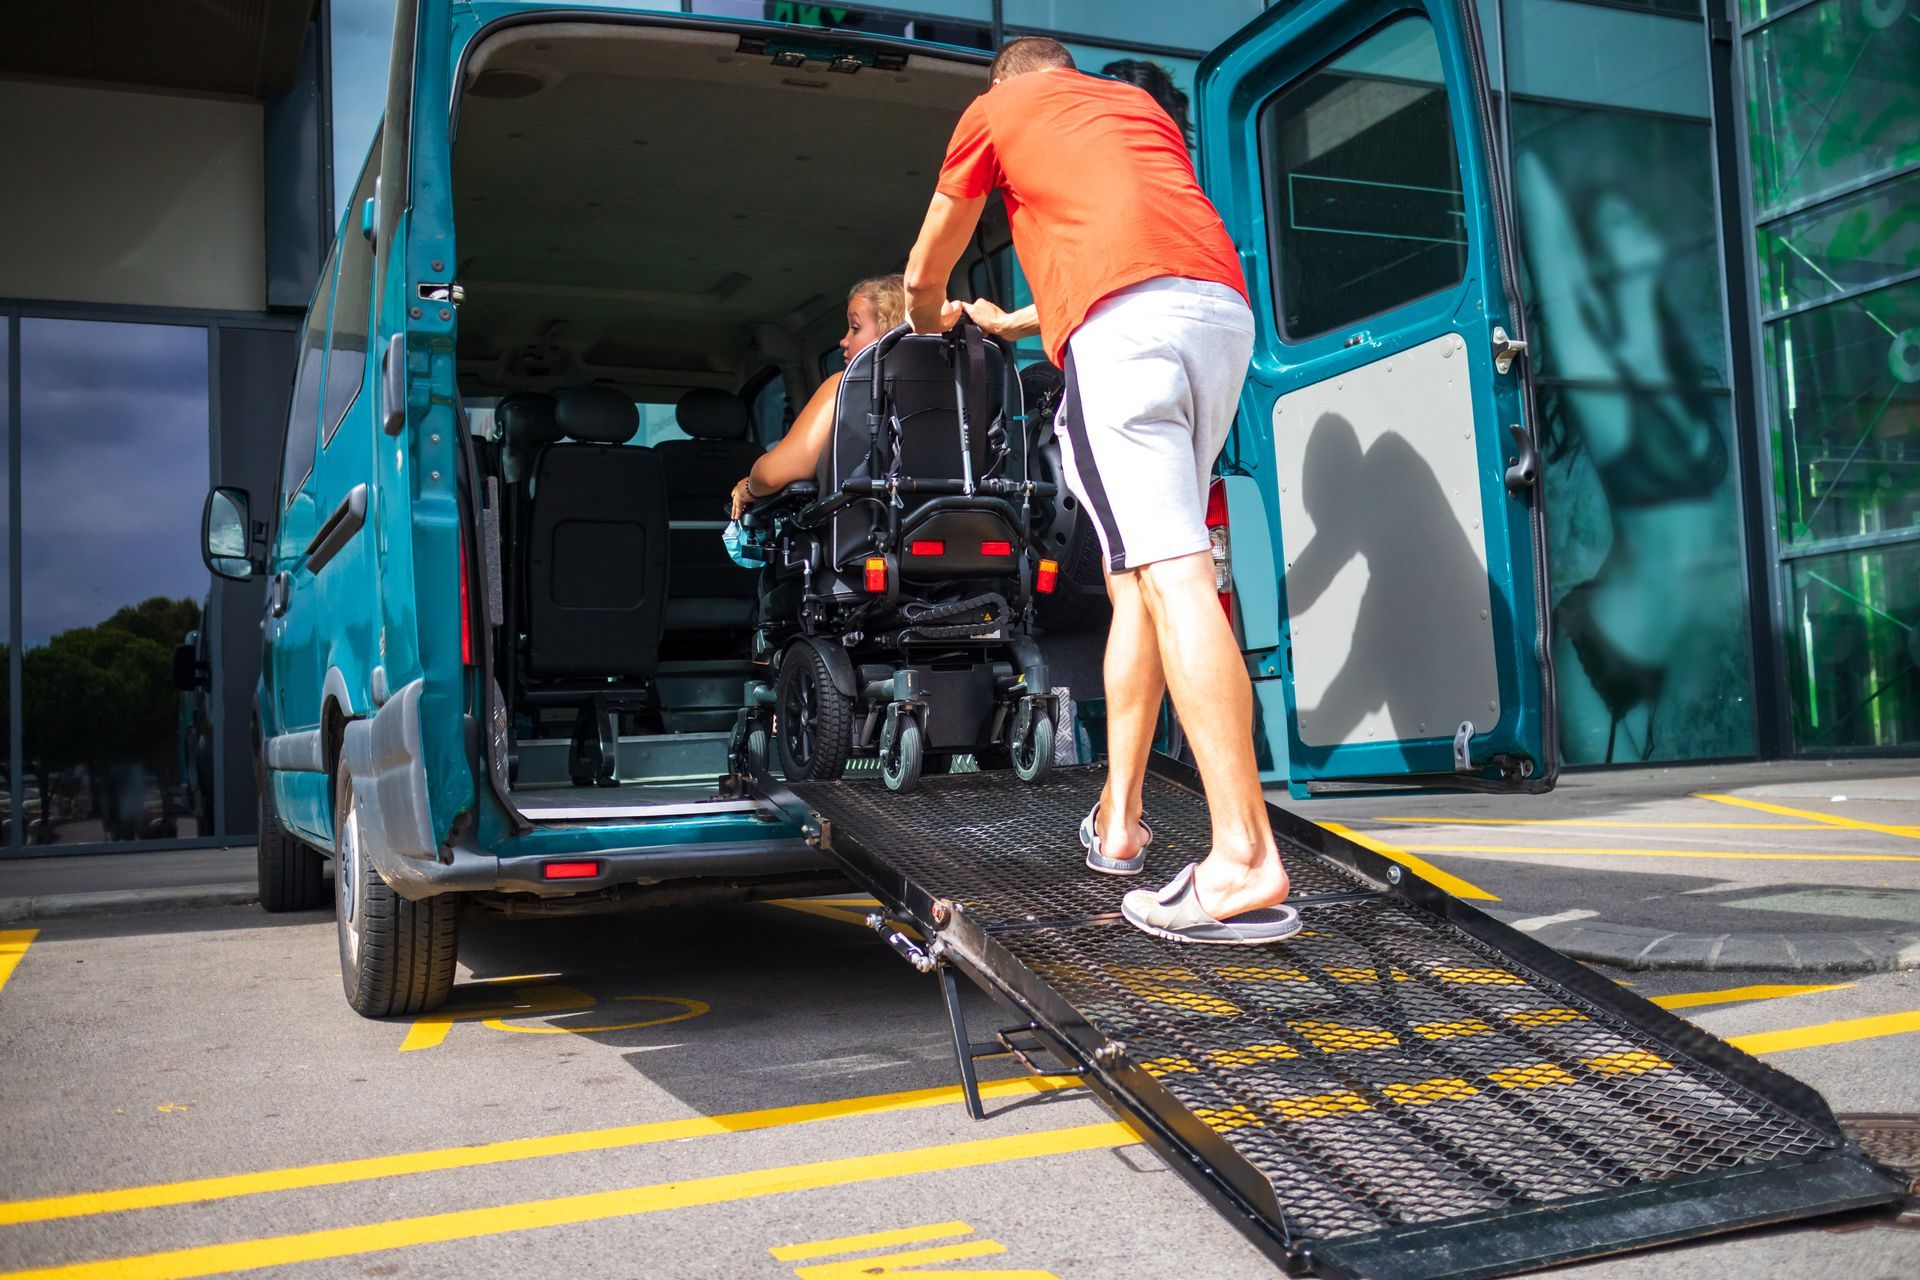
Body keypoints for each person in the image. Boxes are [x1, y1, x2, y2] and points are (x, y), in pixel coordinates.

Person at [902, 36, 1297, 945]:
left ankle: (1243, 855)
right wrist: (1022, 318)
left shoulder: (997, 110)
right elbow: (1139, 246)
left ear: (1007, 78)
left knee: (1173, 575)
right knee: (1140, 580)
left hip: (1127, 339)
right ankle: (1119, 824)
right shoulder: (1135, 108)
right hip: (1216, 318)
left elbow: (926, 271)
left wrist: (935, 336)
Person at [730, 274, 906, 518]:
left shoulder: (848, 387)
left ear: (890, 331)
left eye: (855, 328)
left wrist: (748, 487)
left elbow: (772, 475)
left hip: (861, 536)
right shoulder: (958, 387)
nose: (844, 340)